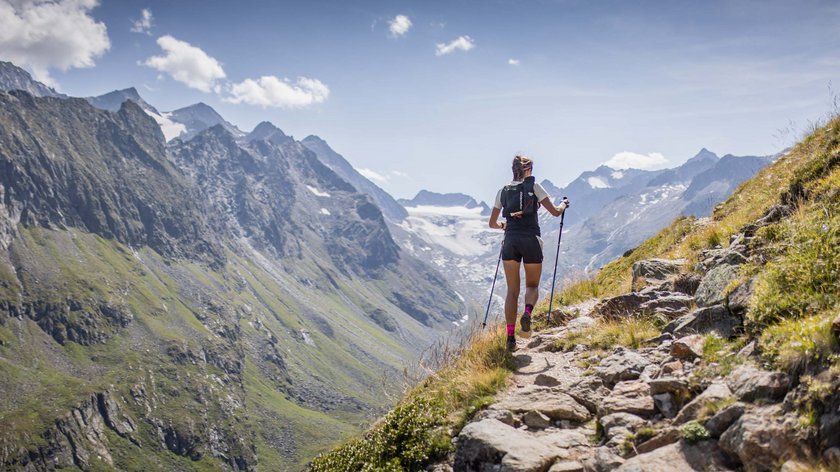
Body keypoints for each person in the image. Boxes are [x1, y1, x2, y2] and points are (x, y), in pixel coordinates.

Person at [488, 155, 569, 352]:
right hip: (531, 239)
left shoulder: (503, 191)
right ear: (529, 170)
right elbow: (555, 212)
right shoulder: (535, 187)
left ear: (513, 170)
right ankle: (527, 312)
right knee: (532, 285)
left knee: (512, 292)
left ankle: (510, 338)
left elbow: (492, 224)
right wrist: (564, 204)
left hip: (510, 241)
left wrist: (504, 226)